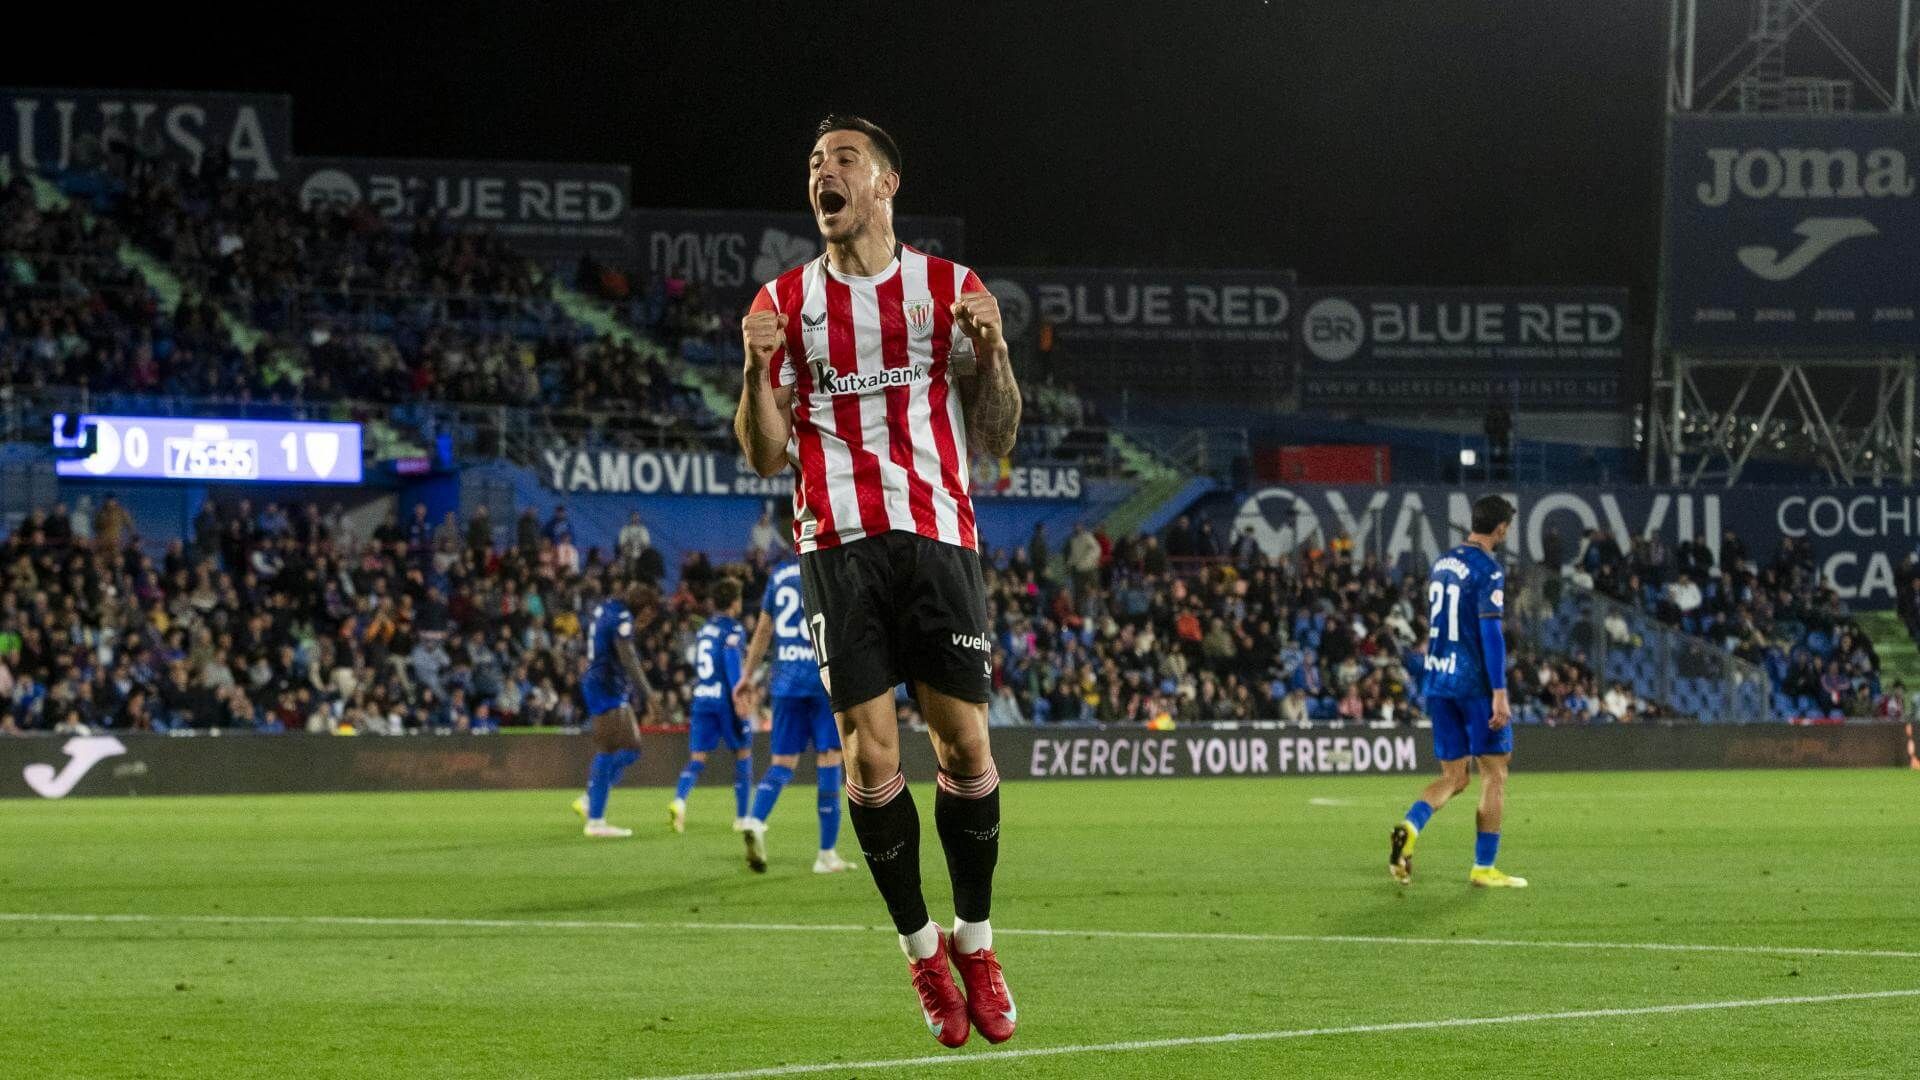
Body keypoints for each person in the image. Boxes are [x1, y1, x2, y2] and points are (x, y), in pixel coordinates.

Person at [733, 115, 1022, 1048]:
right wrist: (754, 366)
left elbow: (998, 435)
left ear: (886, 183)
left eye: (843, 160)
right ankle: (921, 954)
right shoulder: (783, 302)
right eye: (814, 162)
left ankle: (975, 942)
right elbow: (763, 451)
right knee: (870, 755)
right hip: (837, 541)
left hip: (939, 533)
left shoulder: (950, 290)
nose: (824, 172)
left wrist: (999, 352)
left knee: (967, 744)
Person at [1388, 496, 1527, 889]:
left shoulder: (1443, 563)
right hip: (1474, 685)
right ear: (1500, 528)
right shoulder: (1488, 570)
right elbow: (1489, 632)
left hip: (1438, 679)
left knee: (1454, 777)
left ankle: (1409, 827)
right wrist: (1499, 692)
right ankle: (1484, 867)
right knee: (1495, 772)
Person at [733, 550, 850, 874]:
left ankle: (755, 820)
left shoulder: (779, 577)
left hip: (785, 684)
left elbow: (762, 632)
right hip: (821, 679)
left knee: (782, 764)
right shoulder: (829, 570)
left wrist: (746, 676)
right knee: (829, 759)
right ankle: (826, 854)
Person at [670, 577, 756, 862]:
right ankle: (742, 817)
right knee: (743, 753)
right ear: (734, 602)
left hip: (702, 695)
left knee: (697, 758)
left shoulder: (705, 629)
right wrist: (739, 697)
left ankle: (679, 801)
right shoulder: (732, 629)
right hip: (723, 698)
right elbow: (732, 663)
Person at [570, 584, 660, 837]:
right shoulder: (622, 617)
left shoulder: (608, 607)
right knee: (611, 748)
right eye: (648, 615)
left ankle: (591, 800)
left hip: (603, 683)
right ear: (643, 607)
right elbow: (628, 656)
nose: (646, 621)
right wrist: (649, 694)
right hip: (606, 685)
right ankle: (595, 819)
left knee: (630, 748)